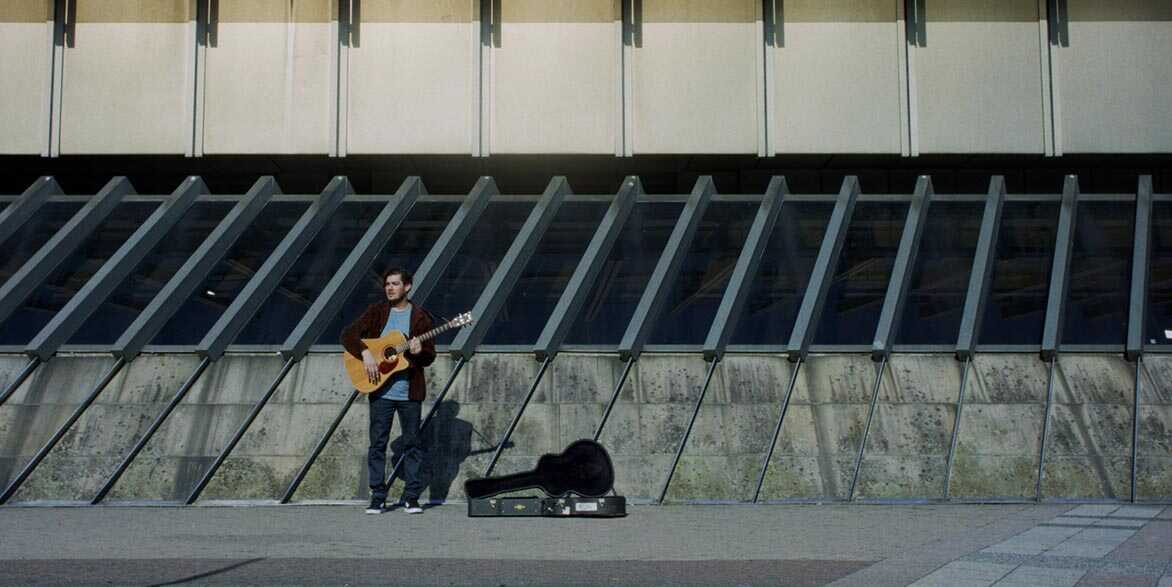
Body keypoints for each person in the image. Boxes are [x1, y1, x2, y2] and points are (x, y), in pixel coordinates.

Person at [341, 267, 436, 514]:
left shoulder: (421, 318)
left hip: (409, 393)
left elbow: (429, 356)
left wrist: (419, 351)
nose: (390, 288)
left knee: (412, 445)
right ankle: (378, 496)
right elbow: (348, 334)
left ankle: (411, 497)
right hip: (381, 391)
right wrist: (365, 353)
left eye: (395, 284)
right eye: (387, 284)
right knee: (377, 445)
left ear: (408, 287)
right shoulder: (377, 312)